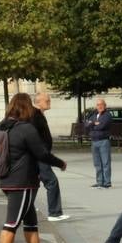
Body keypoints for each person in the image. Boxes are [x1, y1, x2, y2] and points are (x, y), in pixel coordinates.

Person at [0, 93, 66, 243]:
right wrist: (60, 163)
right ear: (26, 107)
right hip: (22, 182)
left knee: (31, 222)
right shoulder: (25, 129)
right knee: (12, 223)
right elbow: (42, 153)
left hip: (7, 179)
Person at [32, 92, 68, 222]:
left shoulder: (38, 114)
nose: (49, 101)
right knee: (51, 181)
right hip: (41, 156)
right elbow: (34, 137)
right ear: (38, 102)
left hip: (41, 155)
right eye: (46, 100)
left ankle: (27, 207)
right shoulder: (35, 115)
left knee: (34, 182)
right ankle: (54, 213)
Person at [88, 99, 113, 188]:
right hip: (94, 141)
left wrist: (92, 124)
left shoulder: (107, 115)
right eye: (98, 104)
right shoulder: (93, 114)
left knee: (105, 162)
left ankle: (107, 182)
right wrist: (94, 123)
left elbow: (102, 126)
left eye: (101, 104)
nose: (99, 106)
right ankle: (99, 182)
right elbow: (86, 125)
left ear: (105, 105)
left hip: (103, 141)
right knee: (97, 163)